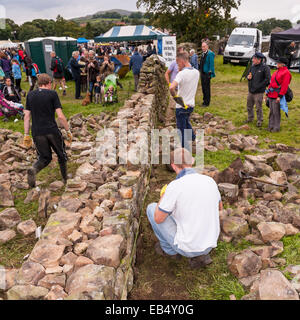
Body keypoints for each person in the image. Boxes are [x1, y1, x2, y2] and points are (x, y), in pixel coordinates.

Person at [147, 148, 222, 269]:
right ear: (192, 161)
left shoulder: (174, 186)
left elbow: (158, 218)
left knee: (152, 208)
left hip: (187, 247)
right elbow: (219, 207)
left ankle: (170, 251)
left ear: (172, 165)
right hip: (210, 243)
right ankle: (202, 254)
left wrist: (164, 196)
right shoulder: (210, 181)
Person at [23, 74, 72, 187]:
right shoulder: (52, 94)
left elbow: (26, 116)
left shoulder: (30, 95)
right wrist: (68, 130)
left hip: (37, 132)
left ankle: (34, 170)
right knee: (61, 155)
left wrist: (26, 134)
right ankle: (65, 178)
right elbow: (60, 116)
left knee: (45, 157)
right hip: (51, 130)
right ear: (49, 83)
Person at [169, 51, 200, 150]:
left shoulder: (181, 74)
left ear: (182, 61)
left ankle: (184, 151)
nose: (177, 65)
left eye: (178, 63)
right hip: (191, 105)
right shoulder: (196, 72)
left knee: (181, 130)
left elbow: (171, 88)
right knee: (186, 121)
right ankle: (193, 138)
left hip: (181, 106)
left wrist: (176, 98)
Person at [265, 57, 292, 133]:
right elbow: (271, 83)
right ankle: (270, 126)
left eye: (278, 63)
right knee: (271, 111)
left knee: (276, 112)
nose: (276, 64)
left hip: (277, 95)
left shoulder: (286, 73)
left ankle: (276, 128)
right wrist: (267, 93)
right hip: (271, 94)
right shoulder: (276, 72)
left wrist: (279, 96)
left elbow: (284, 86)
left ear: (282, 64)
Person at [246, 52, 271, 127]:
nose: (253, 60)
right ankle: (250, 118)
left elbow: (267, 79)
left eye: (254, 59)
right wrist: (248, 77)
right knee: (249, 106)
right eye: (253, 58)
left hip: (259, 92)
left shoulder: (265, 68)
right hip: (251, 90)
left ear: (259, 60)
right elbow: (249, 74)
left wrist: (259, 86)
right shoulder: (252, 66)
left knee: (258, 107)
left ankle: (260, 120)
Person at [199, 42, 215, 107]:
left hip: (207, 74)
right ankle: (204, 100)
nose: (203, 48)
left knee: (207, 88)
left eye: (204, 46)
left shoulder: (210, 54)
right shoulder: (203, 53)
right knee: (203, 88)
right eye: (202, 47)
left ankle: (207, 102)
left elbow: (211, 64)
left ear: (207, 47)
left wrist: (210, 73)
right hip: (202, 73)